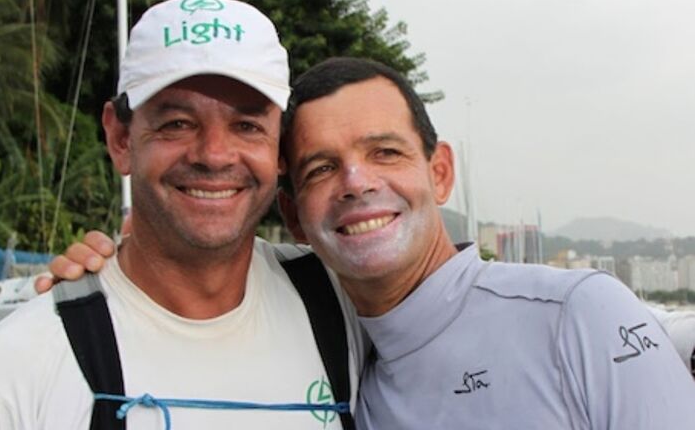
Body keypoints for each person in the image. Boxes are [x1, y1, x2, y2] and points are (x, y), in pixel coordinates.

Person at [56, 57, 695, 428]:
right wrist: (110, 271)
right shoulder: (330, 341)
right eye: (321, 169)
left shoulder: (580, 316)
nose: (357, 184)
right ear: (296, 216)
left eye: (384, 152)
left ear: (439, 172)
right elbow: (204, 279)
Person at [0, 0, 363, 430]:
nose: (214, 155)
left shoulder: (345, 309)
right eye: (177, 123)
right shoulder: (11, 374)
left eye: (247, 125)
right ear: (120, 138)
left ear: (280, 149)